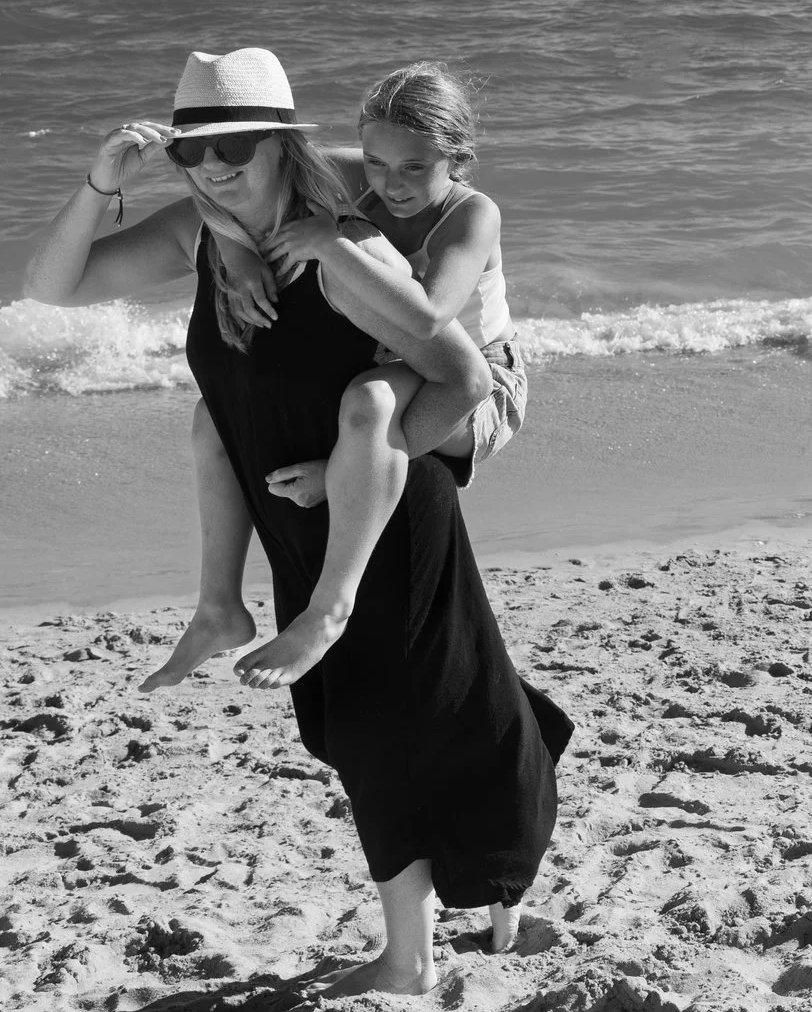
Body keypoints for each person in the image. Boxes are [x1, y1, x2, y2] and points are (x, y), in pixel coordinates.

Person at [24, 47, 571, 992]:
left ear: (281, 143)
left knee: (407, 721)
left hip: (378, 506)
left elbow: (464, 370)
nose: (215, 166)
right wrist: (96, 184)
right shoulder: (204, 233)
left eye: (238, 144)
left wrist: (355, 467)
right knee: (395, 720)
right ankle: (492, 921)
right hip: (299, 511)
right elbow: (50, 288)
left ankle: (416, 958)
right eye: (192, 151)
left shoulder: (344, 242)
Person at [146, 61, 527, 693]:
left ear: (457, 157)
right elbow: (227, 178)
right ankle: (219, 606)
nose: (390, 182)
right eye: (375, 162)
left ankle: (327, 611)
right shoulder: (362, 173)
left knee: (370, 401)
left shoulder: (470, 215)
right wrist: (235, 247)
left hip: (479, 385)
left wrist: (332, 245)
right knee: (216, 411)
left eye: (415, 167)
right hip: (395, 355)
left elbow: (431, 317)